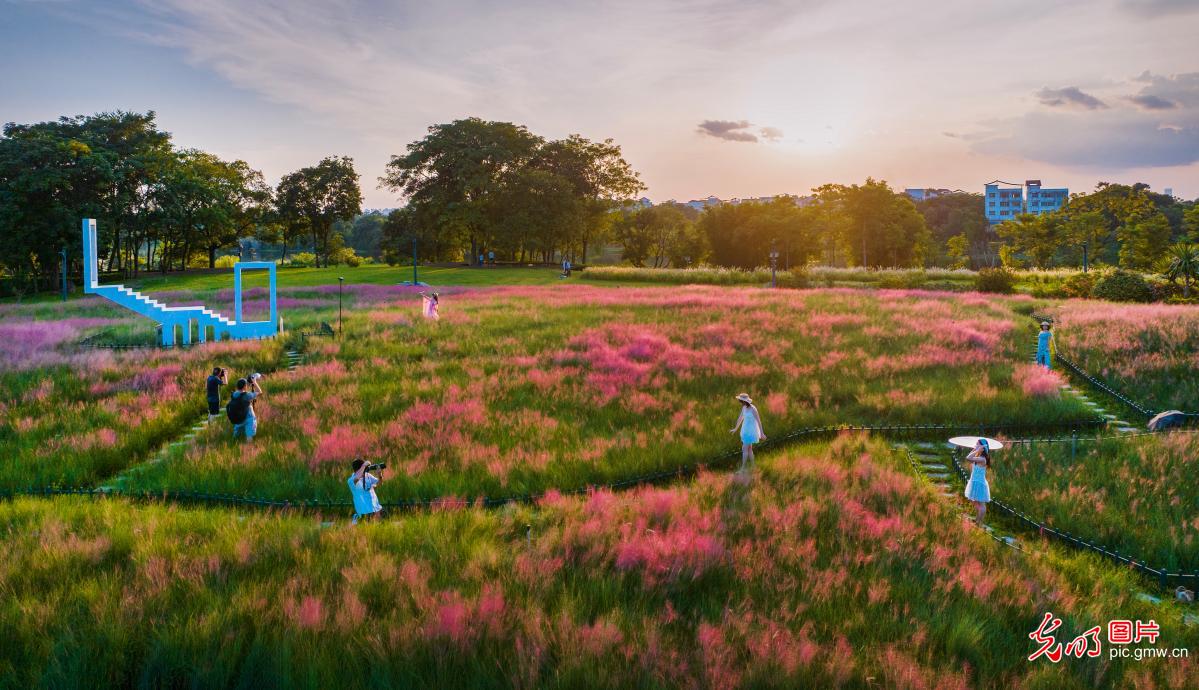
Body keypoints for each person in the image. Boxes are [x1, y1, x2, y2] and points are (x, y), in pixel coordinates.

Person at [730, 393, 766, 472]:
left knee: (744, 448)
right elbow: (740, 419)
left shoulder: (753, 409)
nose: (740, 402)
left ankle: (743, 468)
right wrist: (735, 429)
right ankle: (753, 466)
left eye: (741, 401)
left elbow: (759, 421)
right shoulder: (744, 408)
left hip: (751, 431)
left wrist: (762, 433)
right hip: (745, 430)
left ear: (745, 401)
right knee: (749, 449)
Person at [964, 439, 992, 525]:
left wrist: (977, 450)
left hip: (980, 483)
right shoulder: (978, 456)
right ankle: (977, 519)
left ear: (982, 447)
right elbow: (970, 457)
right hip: (974, 481)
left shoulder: (982, 459)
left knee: (981, 504)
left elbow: (968, 458)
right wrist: (975, 449)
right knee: (974, 501)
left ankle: (979, 522)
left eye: (977, 444)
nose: (975, 445)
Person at [227, 375, 263, 441]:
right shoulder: (248, 395)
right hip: (249, 418)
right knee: (249, 436)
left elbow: (240, 392)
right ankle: (248, 448)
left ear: (237, 386)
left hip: (238, 419)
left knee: (236, 438)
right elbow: (260, 392)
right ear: (245, 386)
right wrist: (254, 382)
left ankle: (233, 445)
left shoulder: (233, 394)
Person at [348, 458, 383, 524]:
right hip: (363, 511)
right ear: (360, 469)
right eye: (364, 467)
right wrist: (364, 465)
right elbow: (357, 478)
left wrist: (380, 475)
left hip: (375, 509)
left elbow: (380, 483)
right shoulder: (351, 480)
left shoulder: (368, 476)